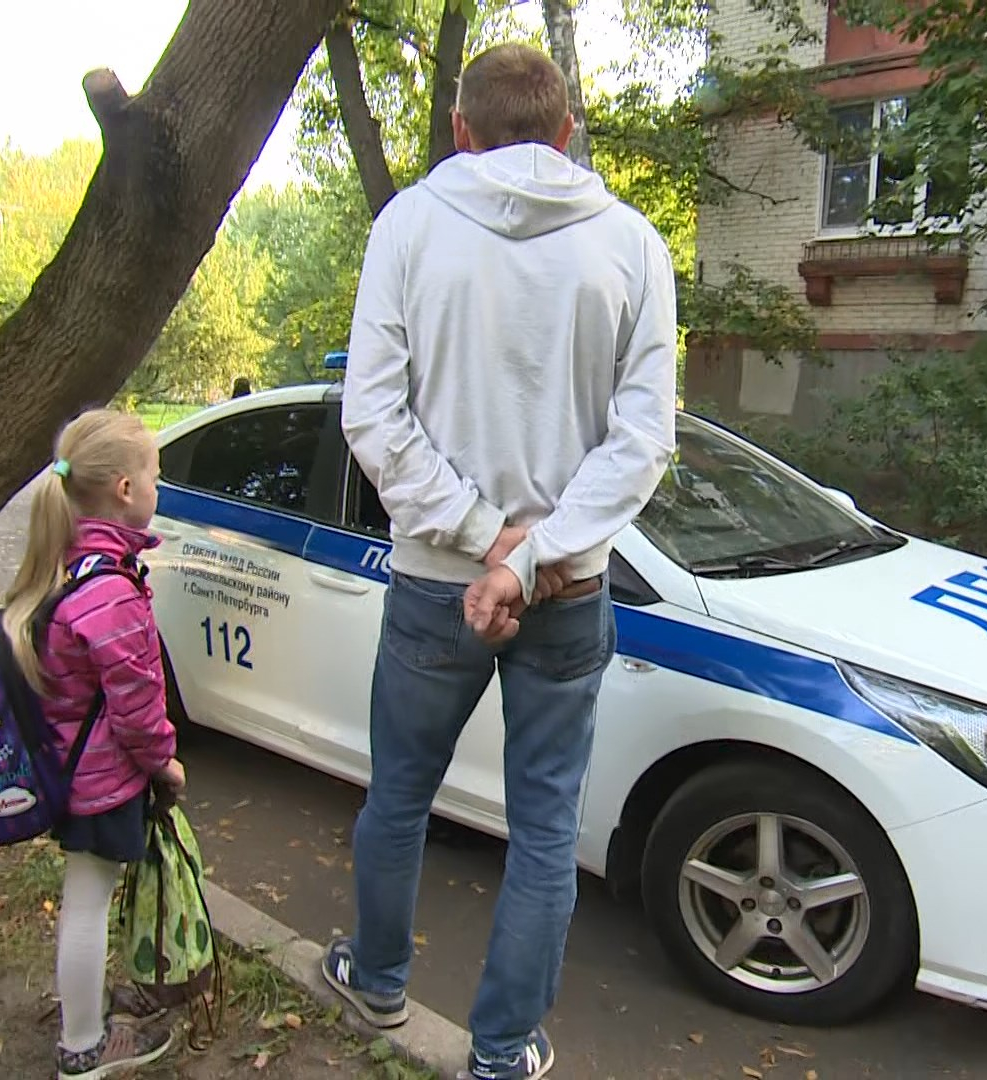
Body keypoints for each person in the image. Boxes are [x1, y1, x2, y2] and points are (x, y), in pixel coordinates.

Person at [327, 42, 678, 1080]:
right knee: (541, 832)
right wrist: (533, 556)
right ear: (566, 134)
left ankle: (378, 982)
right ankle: (504, 1051)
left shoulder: (408, 228)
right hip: (567, 591)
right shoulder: (633, 245)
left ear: (461, 132)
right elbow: (644, 441)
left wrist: (485, 544)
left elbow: (373, 416)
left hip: (439, 582)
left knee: (398, 797)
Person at [0, 408, 185, 1080]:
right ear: (126, 491)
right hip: (103, 780)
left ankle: (84, 1020)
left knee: (85, 900)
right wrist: (164, 762)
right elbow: (137, 704)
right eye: (155, 477)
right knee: (86, 905)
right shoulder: (110, 590)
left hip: (71, 769)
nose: (158, 489)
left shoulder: (69, 567)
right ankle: (83, 1046)